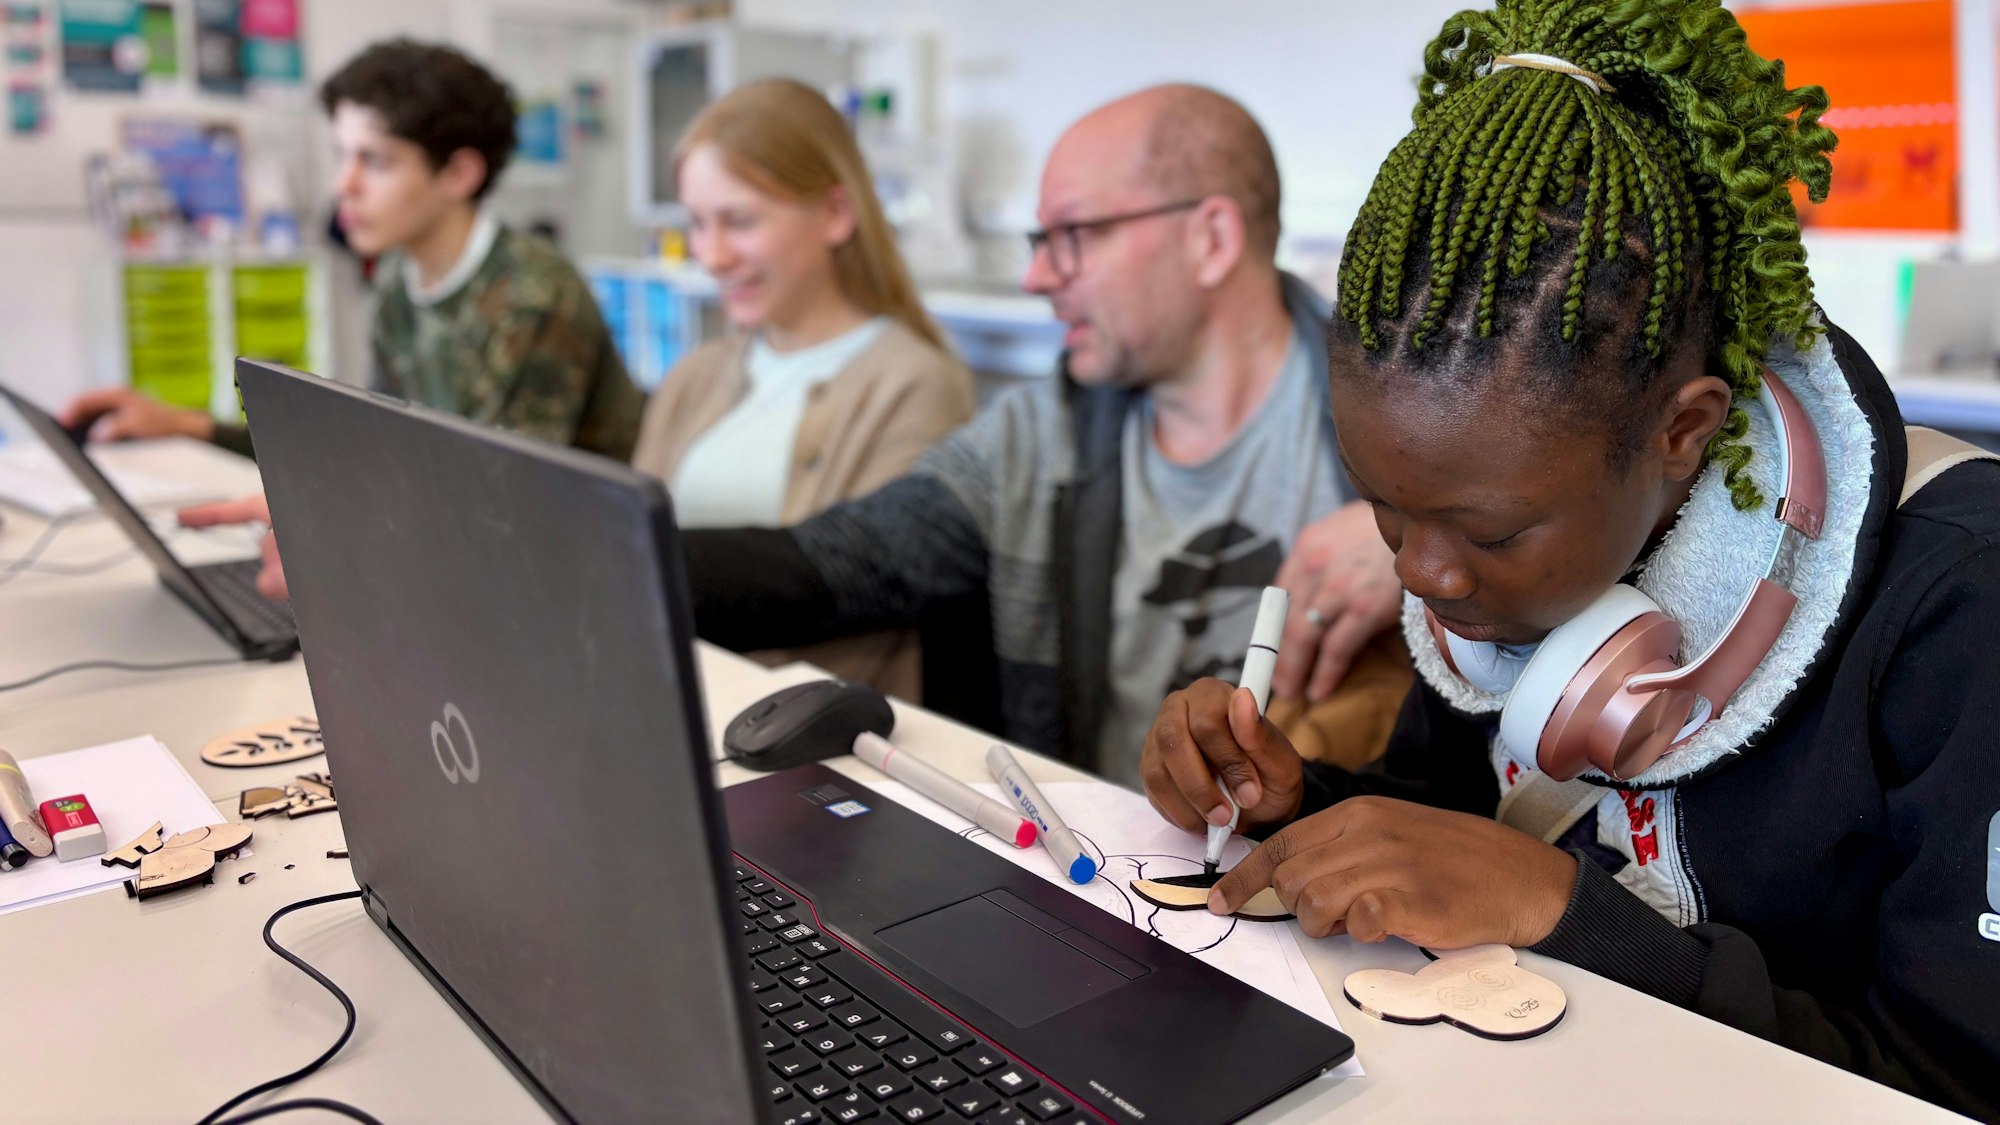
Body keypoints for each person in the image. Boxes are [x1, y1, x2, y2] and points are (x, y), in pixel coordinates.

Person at [1139, 2, 2000, 1116]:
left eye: (1489, 534)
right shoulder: (1492, 545)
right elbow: (1439, 827)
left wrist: (1563, 910)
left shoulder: (1961, 599)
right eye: (1383, 508)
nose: (1422, 575)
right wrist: (1296, 810)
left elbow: (1947, 1086)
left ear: (1684, 430)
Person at [685, 85, 1407, 782]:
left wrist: (1413, 546)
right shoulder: (1036, 436)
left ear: (1211, 239)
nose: (1035, 277)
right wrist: (633, 556)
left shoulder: (1405, 421)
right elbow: (839, 563)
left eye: (1071, 237)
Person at [61, 38, 643, 462]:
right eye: (343, 155)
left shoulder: (532, 297)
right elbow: (378, 449)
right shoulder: (398, 276)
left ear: (459, 173)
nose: (345, 184)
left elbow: (500, 503)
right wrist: (189, 426)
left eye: (376, 161)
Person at [629, 79, 975, 694]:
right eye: (698, 224)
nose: (712, 255)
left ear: (836, 214)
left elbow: (862, 608)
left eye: (739, 221)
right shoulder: (694, 376)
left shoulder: (915, 384)